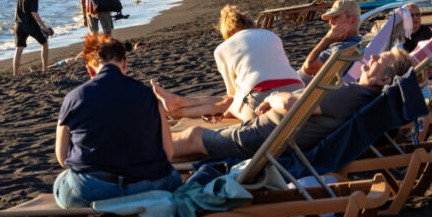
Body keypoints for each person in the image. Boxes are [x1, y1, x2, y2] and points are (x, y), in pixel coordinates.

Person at [171, 49, 414, 161]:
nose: (371, 57)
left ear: (385, 80)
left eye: (380, 59)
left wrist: (272, 98)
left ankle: (143, 154)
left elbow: (291, 104)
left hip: (270, 140)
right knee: (203, 135)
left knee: (195, 136)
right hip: (277, 134)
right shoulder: (361, 97)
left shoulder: (353, 95)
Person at [54, 35, 181, 208]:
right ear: (125, 64)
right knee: (173, 177)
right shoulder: (146, 95)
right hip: (146, 185)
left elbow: (62, 157)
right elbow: (168, 152)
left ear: (90, 70)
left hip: (94, 188)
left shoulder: (74, 98)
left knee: (62, 183)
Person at [151, 6, 303, 122]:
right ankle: (178, 102)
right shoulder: (271, 35)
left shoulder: (222, 49)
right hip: (298, 93)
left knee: (228, 101)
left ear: (225, 30)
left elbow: (232, 95)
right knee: (232, 98)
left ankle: (179, 111)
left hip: (259, 101)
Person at [301, 0, 364, 77]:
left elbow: (308, 68)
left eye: (336, 17)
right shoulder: (356, 43)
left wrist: (326, 40)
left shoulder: (343, 48)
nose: (331, 22)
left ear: (352, 20)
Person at [14, 0, 52, 76]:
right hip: (30, 24)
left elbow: (16, 13)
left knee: (19, 49)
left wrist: (15, 26)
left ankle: (15, 74)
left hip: (18, 25)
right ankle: (45, 68)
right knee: (44, 43)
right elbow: (34, 13)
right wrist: (44, 27)